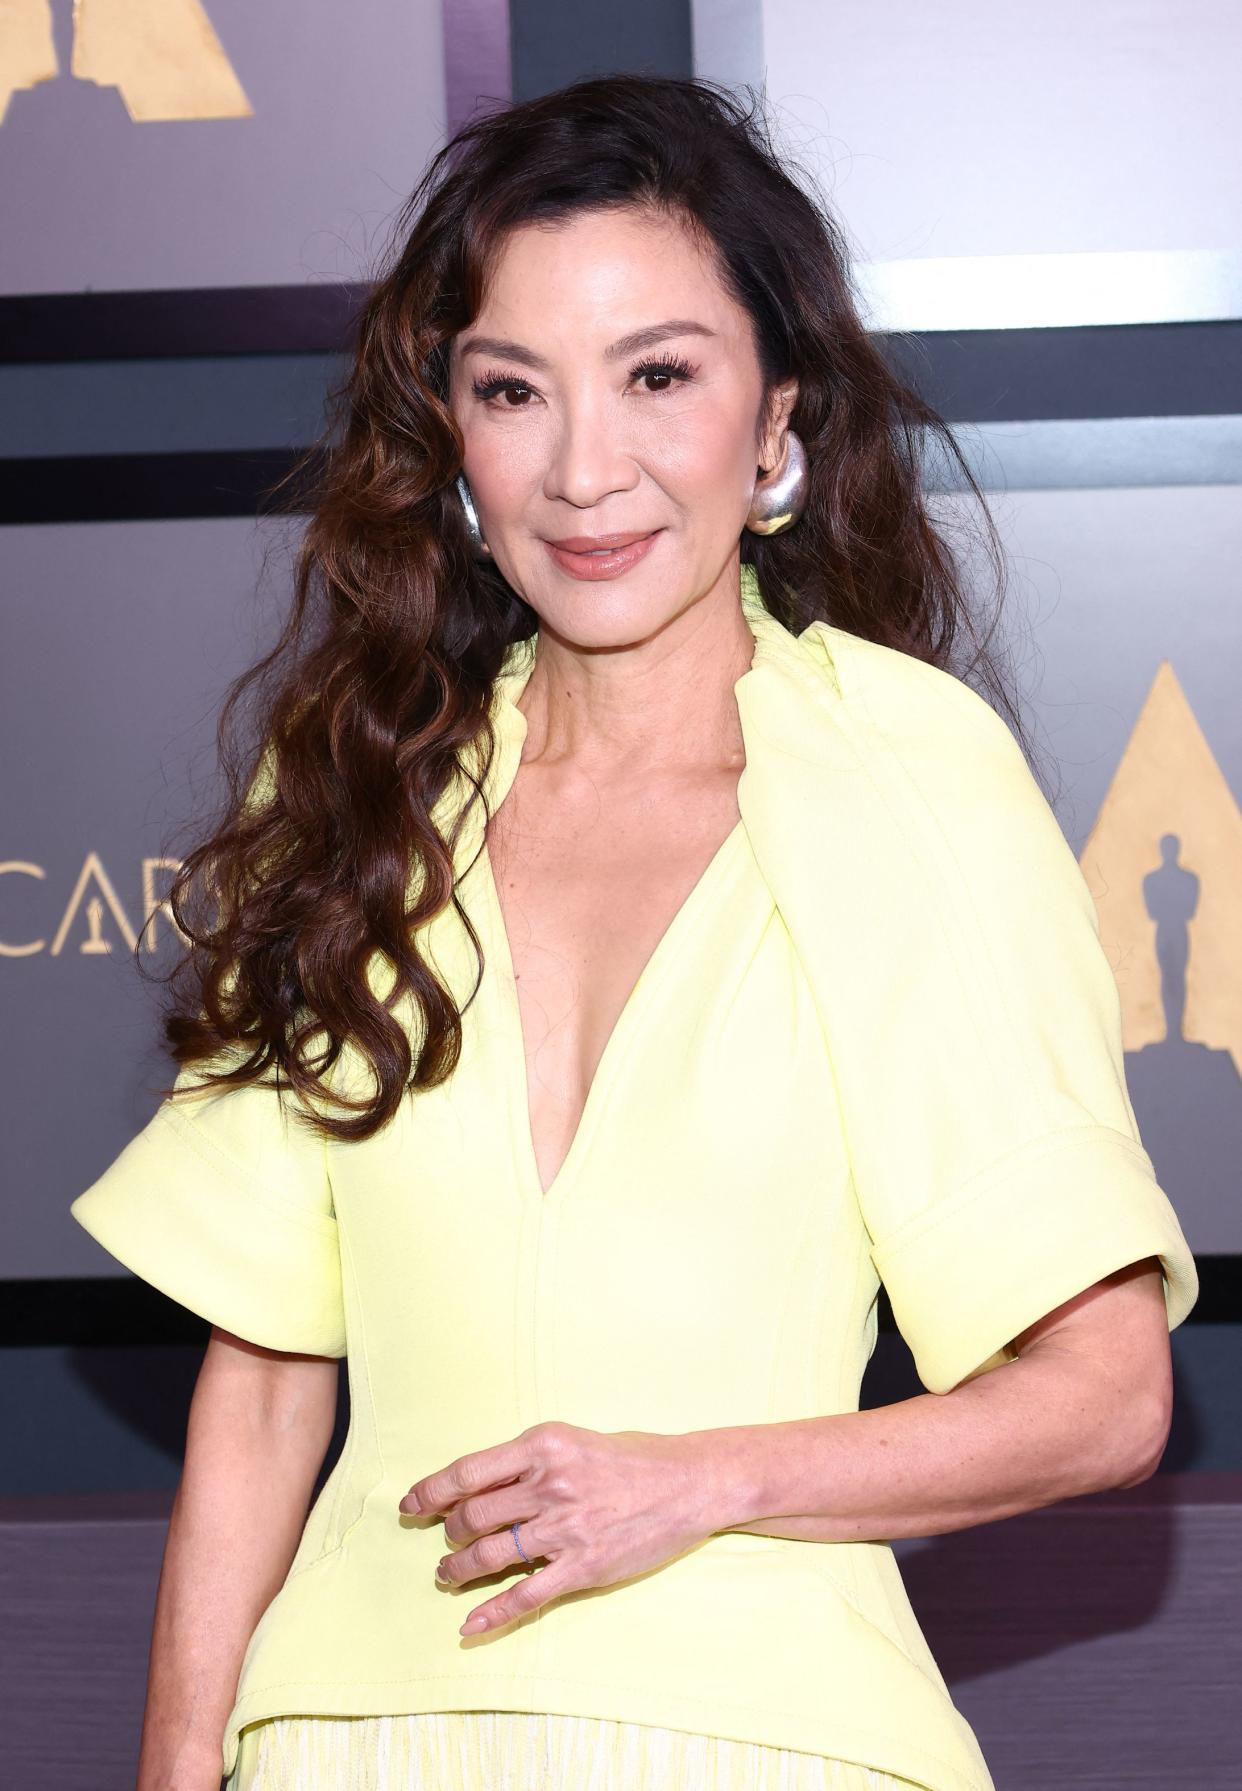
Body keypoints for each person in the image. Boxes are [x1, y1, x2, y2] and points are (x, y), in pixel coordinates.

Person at [69, 73, 1198, 1791]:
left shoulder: (903, 776)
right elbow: (265, 1384)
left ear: (774, 421)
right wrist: (173, 1768)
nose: (584, 470)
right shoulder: (368, 783)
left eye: (656, 375)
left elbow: (1105, 1397)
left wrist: (698, 1480)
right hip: (344, 1736)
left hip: (761, 1737)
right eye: (512, 390)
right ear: (451, 432)